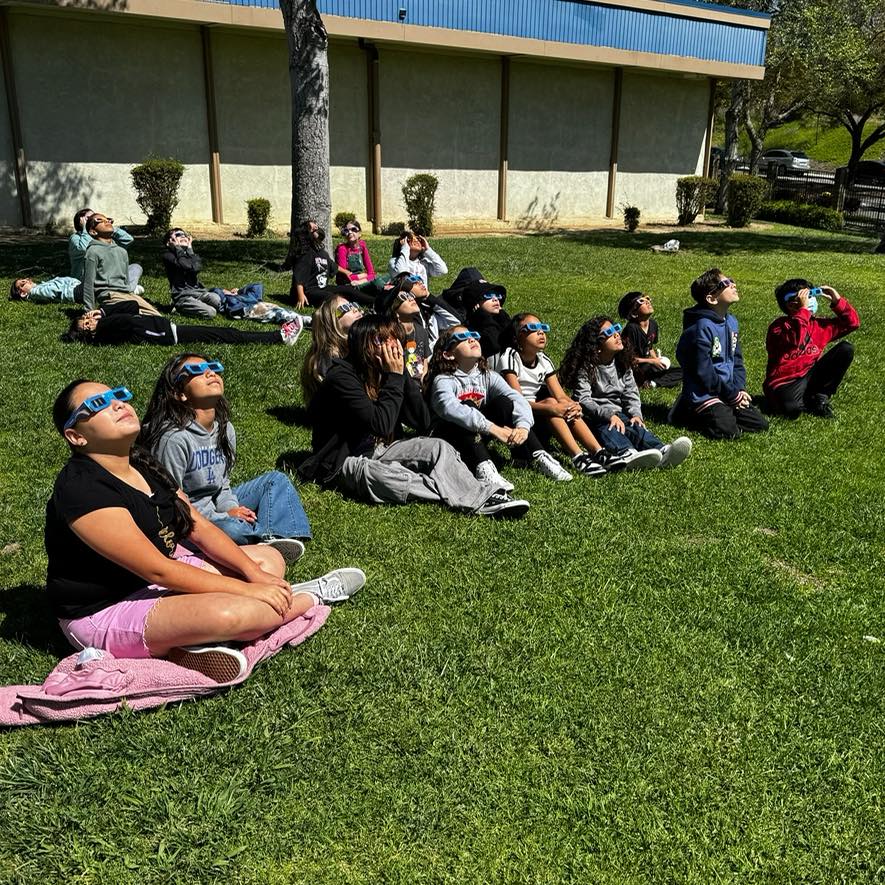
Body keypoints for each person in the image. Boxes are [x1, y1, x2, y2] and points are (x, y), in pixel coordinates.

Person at [46, 379, 365, 681]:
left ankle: (181, 645)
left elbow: (197, 526)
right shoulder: (82, 491)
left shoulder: (140, 462)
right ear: (76, 436)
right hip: (107, 608)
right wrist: (250, 590)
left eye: (118, 395)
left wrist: (253, 574)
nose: (117, 404)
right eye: (98, 403)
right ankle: (310, 595)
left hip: (155, 579)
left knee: (268, 560)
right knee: (236, 614)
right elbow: (159, 571)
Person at [299, 315, 528, 518]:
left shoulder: (390, 372)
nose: (392, 346)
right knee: (382, 476)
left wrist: (405, 376)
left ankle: (477, 495)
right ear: (364, 345)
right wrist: (394, 377)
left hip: (384, 448)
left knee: (438, 447)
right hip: (344, 459)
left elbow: (422, 422)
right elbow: (381, 424)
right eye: (383, 340)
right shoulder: (342, 377)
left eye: (394, 339)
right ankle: (468, 493)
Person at [140, 354, 311, 557]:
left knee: (275, 481)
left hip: (215, 508)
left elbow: (223, 484)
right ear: (180, 394)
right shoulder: (174, 439)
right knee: (233, 530)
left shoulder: (225, 429)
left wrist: (232, 507)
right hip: (189, 521)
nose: (210, 373)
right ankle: (265, 539)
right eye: (197, 371)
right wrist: (224, 516)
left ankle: (268, 539)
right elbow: (172, 503)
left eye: (212, 367)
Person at [427, 324, 575, 486]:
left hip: (479, 432)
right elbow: (450, 408)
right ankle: (483, 467)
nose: (471, 339)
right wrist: (493, 429)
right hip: (448, 436)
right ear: (448, 354)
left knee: (504, 402)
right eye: (462, 338)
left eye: (474, 335)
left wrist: (523, 427)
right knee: (467, 405)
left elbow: (517, 399)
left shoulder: (488, 376)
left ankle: (537, 454)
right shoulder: (443, 380)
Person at [496, 313, 632, 476]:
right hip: (515, 416)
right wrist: (552, 409)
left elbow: (560, 395)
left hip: (536, 413)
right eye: (533, 328)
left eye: (543, 328)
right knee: (551, 403)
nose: (541, 333)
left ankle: (598, 452)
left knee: (560, 403)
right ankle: (578, 457)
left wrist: (574, 405)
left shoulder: (543, 360)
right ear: (517, 336)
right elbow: (516, 400)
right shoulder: (510, 357)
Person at [560, 316, 692, 468]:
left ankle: (661, 449)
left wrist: (636, 414)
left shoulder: (622, 364)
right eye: (609, 332)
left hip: (618, 412)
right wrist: (609, 416)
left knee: (635, 427)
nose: (617, 334)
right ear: (597, 346)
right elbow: (583, 400)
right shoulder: (587, 368)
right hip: (594, 417)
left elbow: (631, 393)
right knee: (610, 429)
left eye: (616, 329)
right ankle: (626, 452)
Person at [671, 269, 769, 440]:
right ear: (711, 298)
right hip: (704, 393)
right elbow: (704, 372)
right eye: (726, 284)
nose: (733, 285)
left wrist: (738, 389)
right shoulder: (701, 327)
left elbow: (737, 360)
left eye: (731, 280)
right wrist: (732, 395)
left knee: (759, 424)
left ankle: (722, 409)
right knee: (729, 432)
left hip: (727, 390)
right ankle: (685, 408)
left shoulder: (732, 322)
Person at [764, 279, 859, 419]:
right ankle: (803, 401)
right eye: (806, 297)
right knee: (792, 411)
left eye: (811, 296)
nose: (811, 301)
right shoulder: (779, 327)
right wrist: (803, 311)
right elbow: (796, 339)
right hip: (784, 382)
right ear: (791, 304)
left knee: (846, 349)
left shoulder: (818, 325)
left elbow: (852, 323)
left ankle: (820, 397)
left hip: (808, 375)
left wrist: (837, 300)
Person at [63, 300, 304, 347]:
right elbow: (127, 319)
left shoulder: (105, 324)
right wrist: (103, 320)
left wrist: (103, 310)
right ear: (86, 329)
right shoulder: (105, 331)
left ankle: (276, 336)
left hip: (170, 329)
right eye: (86, 321)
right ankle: (278, 337)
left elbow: (132, 307)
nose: (90, 319)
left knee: (225, 333)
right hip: (169, 334)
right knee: (227, 334)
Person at [81, 213, 160, 315]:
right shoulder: (93, 251)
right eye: (99, 220)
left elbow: (126, 281)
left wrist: (130, 294)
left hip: (128, 294)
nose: (107, 222)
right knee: (142, 319)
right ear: (93, 231)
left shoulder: (121, 251)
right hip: (110, 295)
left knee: (158, 318)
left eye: (109, 220)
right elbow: (88, 284)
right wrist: (89, 311)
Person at [300, 296, 363, 406]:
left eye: (353, 304)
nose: (355, 309)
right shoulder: (328, 358)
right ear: (332, 321)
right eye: (346, 308)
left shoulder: (353, 347)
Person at [617, 291, 683, 389]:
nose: (647, 301)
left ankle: (652, 383)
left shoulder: (653, 324)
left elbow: (650, 347)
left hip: (648, 366)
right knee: (649, 368)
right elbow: (627, 359)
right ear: (634, 313)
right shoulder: (632, 329)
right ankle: (650, 382)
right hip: (634, 369)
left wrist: (656, 359)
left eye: (647, 298)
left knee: (683, 371)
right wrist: (652, 361)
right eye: (641, 301)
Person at [69, 207, 142, 292]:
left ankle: (125, 288)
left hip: (109, 279)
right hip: (87, 282)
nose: (96, 220)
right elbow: (84, 249)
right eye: (90, 218)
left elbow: (128, 239)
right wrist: (86, 229)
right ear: (81, 222)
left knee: (135, 268)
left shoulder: (105, 238)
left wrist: (108, 226)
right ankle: (128, 289)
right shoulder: (75, 238)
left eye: (98, 219)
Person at [374, 276, 431, 381]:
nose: (411, 298)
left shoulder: (421, 331)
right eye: (404, 297)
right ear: (394, 311)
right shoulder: (390, 338)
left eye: (410, 295)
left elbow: (424, 367)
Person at [161, 229, 224, 318]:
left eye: (185, 235)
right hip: (183, 296)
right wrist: (178, 248)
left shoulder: (191, 254)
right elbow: (185, 266)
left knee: (217, 300)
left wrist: (190, 249)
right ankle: (178, 308)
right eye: (178, 235)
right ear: (169, 242)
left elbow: (197, 268)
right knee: (211, 312)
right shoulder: (168, 256)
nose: (183, 236)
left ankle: (197, 304)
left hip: (200, 293)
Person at [290, 220, 351, 308]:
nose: (316, 228)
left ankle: (374, 301)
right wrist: (300, 295)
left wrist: (347, 272)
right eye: (312, 228)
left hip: (322, 288)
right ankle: (348, 309)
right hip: (308, 291)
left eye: (316, 227)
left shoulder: (322, 252)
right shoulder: (304, 253)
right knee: (332, 298)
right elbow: (298, 277)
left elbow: (333, 266)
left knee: (348, 290)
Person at [334, 219, 377, 302]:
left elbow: (371, 273)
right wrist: (361, 276)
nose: (350, 232)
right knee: (377, 284)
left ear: (359, 233)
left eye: (353, 229)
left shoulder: (362, 246)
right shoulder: (342, 249)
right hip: (348, 285)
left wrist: (363, 280)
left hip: (360, 282)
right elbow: (344, 276)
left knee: (381, 280)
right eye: (347, 230)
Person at [9, 275, 82, 304]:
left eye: (24, 279)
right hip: (73, 291)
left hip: (75, 288)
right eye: (23, 283)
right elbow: (52, 291)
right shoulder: (35, 292)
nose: (26, 280)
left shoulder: (38, 288)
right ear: (23, 293)